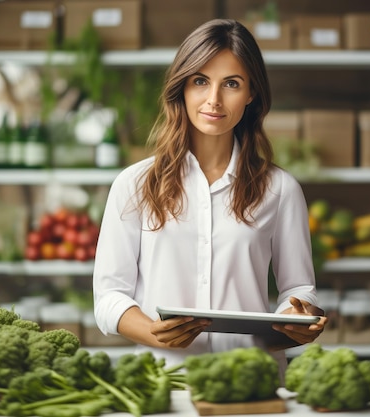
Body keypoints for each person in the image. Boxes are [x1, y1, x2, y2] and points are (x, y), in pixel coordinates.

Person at [92, 18, 328, 374]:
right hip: (163, 384)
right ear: (182, 87)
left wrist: (299, 317)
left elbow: (299, 288)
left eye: (231, 83)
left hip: (252, 381)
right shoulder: (134, 185)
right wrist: (154, 333)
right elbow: (108, 297)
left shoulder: (280, 190)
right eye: (200, 81)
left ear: (251, 93)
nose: (213, 99)